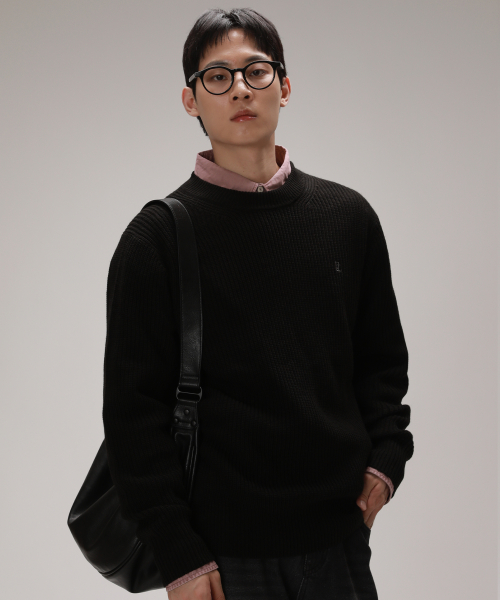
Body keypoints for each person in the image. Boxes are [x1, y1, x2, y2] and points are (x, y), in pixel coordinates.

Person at [102, 8, 414, 600]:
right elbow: (131, 415)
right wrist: (177, 553)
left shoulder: (347, 218)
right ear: (191, 101)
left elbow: (381, 362)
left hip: (340, 543)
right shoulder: (155, 240)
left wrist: (387, 459)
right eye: (217, 77)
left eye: (257, 71)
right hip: (220, 559)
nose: (240, 89)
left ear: (285, 87)